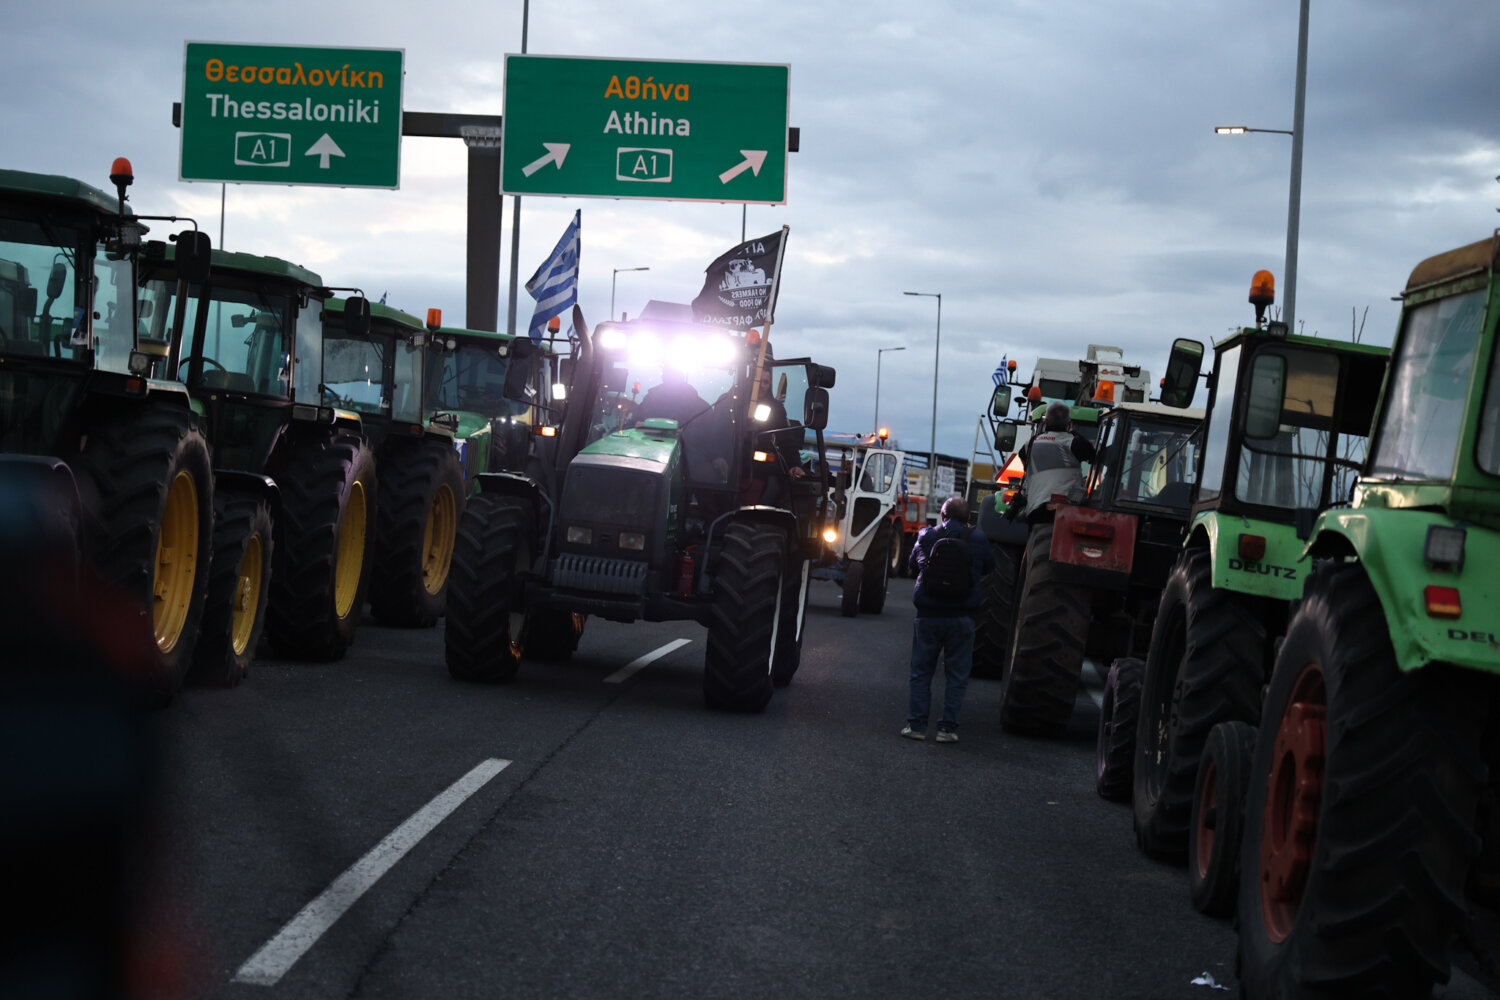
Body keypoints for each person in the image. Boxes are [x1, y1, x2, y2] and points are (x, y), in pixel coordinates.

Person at [903, 496, 996, 743]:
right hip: (962, 617)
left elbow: (912, 563)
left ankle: (917, 726)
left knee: (921, 671)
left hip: (928, 615)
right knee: (957, 675)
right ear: (968, 519)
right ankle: (946, 729)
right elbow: (989, 566)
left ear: (943, 516)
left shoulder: (926, 536)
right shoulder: (978, 538)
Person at [1013, 400, 1095, 521]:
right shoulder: (1073, 442)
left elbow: (1026, 464)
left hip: (1035, 506)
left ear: (1046, 421)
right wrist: (1073, 431)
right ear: (1069, 422)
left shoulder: (1029, 444)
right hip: (1066, 508)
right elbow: (1092, 455)